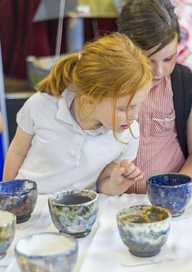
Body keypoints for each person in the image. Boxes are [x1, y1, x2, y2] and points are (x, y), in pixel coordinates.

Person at [3, 33, 152, 195]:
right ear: (89, 100)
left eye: (137, 106)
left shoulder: (129, 133)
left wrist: (118, 183)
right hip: (32, 207)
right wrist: (7, 197)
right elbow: (17, 151)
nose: (134, 116)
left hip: (81, 213)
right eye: (123, 109)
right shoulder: (40, 105)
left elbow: (103, 186)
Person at [117, 0, 192, 193]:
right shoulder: (106, 85)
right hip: (111, 201)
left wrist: (178, 184)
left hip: (170, 200)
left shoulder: (186, 83)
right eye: (148, 60)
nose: (159, 71)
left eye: (169, 59)